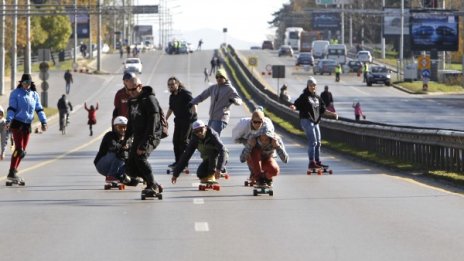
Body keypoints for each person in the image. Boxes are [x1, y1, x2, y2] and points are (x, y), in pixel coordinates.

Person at [4, 74, 48, 182]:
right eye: (24, 83)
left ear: (31, 83)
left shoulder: (34, 95)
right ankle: (11, 172)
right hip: (17, 124)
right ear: (21, 83)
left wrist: (43, 122)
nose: (26, 85)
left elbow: (39, 109)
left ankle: (13, 171)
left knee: (22, 152)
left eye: (28, 83)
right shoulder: (16, 93)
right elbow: (11, 108)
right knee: (19, 149)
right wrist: (8, 120)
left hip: (27, 124)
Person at [124, 76, 164, 195]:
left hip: (151, 135)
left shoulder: (149, 99)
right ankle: (153, 183)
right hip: (138, 135)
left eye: (133, 89)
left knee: (140, 157)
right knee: (130, 166)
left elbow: (154, 123)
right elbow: (131, 122)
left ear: (140, 86)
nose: (130, 92)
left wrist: (146, 143)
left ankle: (152, 186)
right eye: (128, 90)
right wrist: (125, 140)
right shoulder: (132, 101)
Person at [290, 76, 338, 170]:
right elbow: (296, 104)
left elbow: (323, 110)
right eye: (311, 85)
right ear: (308, 86)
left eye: (314, 85)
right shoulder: (304, 96)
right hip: (306, 120)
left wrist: (333, 114)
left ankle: (317, 161)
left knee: (318, 142)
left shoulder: (317, 98)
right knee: (313, 142)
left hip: (315, 122)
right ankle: (311, 162)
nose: (313, 87)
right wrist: (293, 107)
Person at [171, 120, 228, 184]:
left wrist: (219, 168)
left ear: (205, 128)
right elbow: (186, 156)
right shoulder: (194, 139)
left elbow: (223, 151)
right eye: (196, 131)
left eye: (201, 130)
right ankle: (212, 173)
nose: (199, 133)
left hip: (220, 156)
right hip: (207, 159)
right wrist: (175, 174)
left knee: (213, 153)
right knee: (200, 174)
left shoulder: (213, 135)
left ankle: (216, 172)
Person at [189, 68, 242, 136]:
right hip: (212, 117)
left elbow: (239, 100)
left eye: (221, 77)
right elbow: (202, 96)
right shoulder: (213, 88)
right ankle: (219, 147)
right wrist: (192, 102)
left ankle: (219, 147)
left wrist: (234, 100)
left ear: (225, 78)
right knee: (208, 137)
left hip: (221, 118)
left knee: (212, 137)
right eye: (217, 77)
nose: (219, 78)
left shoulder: (230, 89)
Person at [94, 116, 139, 186]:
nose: (123, 129)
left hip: (116, 165)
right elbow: (113, 146)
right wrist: (123, 147)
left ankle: (120, 177)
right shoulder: (110, 135)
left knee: (134, 181)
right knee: (122, 153)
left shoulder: (128, 139)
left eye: (125, 127)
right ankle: (111, 176)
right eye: (120, 127)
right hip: (102, 164)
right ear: (115, 127)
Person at [165, 76, 198, 169]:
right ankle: (177, 162)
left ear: (177, 84)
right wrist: (165, 119)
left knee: (183, 142)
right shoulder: (172, 96)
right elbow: (171, 108)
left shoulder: (185, 93)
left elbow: (194, 102)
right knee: (175, 141)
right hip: (178, 121)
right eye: (169, 85)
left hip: (188, 120)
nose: (171, 86)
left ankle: (184, 163)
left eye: (173, 84)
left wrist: (195, 113)